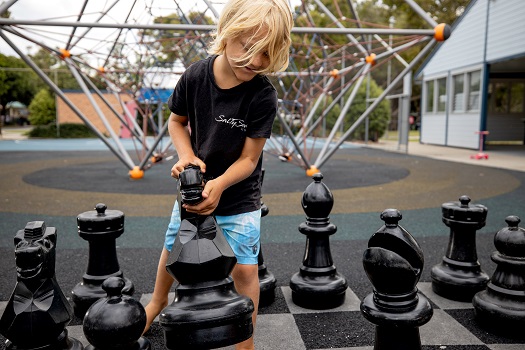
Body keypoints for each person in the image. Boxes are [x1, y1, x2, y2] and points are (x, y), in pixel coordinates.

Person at [143, 0, 293, 349]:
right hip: (194, 190)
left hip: (239, 195)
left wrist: (221, 184)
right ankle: (157, 301)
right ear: (226, 34)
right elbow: (177, 121)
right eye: (248, 47)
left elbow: (249, 159)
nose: (255, 61)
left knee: (244, 270)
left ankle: (246, 339)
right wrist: (188, 156)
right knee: (172, 250)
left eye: (266, 53)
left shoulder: (262, 95)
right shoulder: (195, 76)